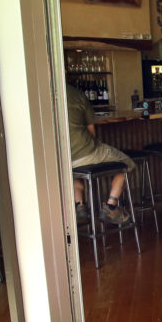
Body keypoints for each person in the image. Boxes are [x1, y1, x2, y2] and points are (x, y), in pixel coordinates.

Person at [66, 81, 134, 223]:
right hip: (85, 150)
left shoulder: (41, 95)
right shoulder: (77, 94)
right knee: (126, 162)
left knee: (71, 170)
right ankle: (111, 207)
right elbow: (92, 131)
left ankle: (80, 206)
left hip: (62, 159)